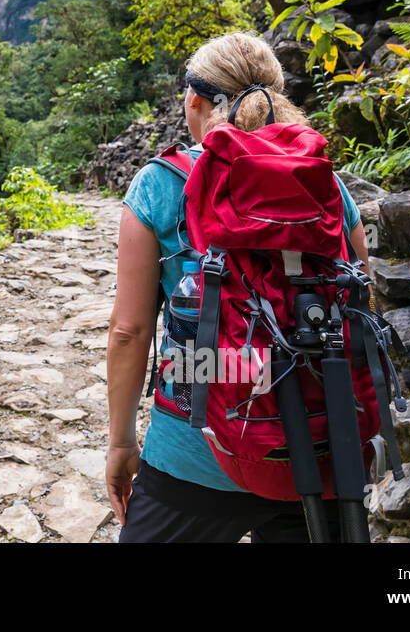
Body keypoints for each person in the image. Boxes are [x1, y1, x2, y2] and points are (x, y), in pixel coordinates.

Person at [105, 31, 371, 542]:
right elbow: (360, 304)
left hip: (195, 455)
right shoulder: (324, 183)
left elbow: (129, 331)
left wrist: (120, 445)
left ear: (195, 101)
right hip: (319, 451)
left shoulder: (161, 184)